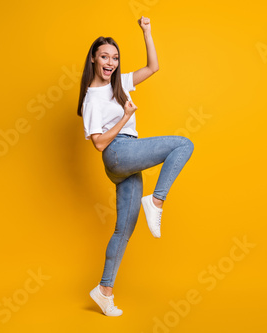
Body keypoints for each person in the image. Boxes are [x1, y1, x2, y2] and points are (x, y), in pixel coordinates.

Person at [77, 16, 194, 316]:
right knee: (183, 144)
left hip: (125, 159)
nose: (111, 62)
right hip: (117, 152)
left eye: (115, 58)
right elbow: (99, 143)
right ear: (94, 58)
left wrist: (147, 31)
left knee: (123, 231)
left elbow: (153, 67)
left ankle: (104, 291)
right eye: (105, 56)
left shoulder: (119, 83)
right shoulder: (92, 98)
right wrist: (126, 118)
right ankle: (156, 201)